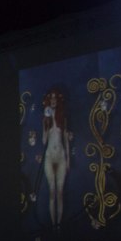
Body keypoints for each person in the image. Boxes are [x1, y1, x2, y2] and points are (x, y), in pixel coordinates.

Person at [41, 88, 69, 231]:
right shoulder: (45, 119)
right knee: (52, 192)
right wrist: (46, 126)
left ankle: (59, 224)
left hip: (61, 156)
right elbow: (43, 141)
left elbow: (66, 139)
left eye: (55, 98)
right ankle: (53, 225)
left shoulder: (62, 118)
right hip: (49, 157)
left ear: (57, 101)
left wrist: (68, 159)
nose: (53, 100)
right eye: (50, 98)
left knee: (60, 193)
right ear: (48, 101)